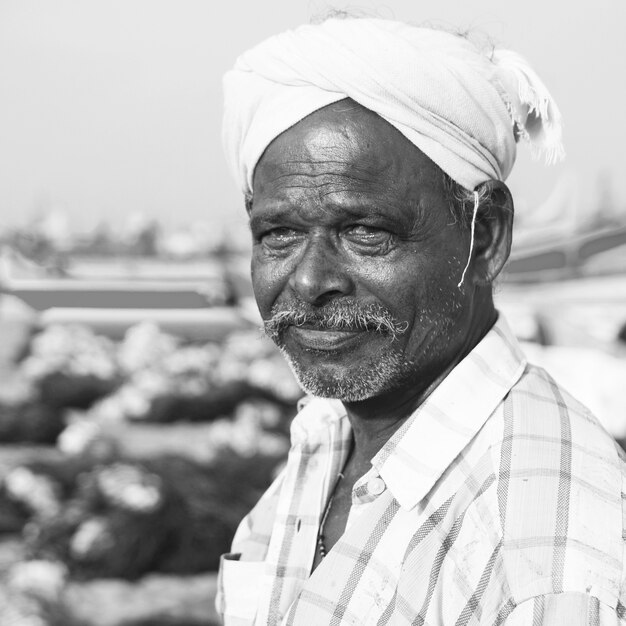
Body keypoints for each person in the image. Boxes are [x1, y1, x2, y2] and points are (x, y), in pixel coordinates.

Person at [217, 16, 626, 625]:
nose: (307, 280)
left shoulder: (544, 561)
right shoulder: (334, 431)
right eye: (279, 234)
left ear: (484, 237)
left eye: (364, 232)